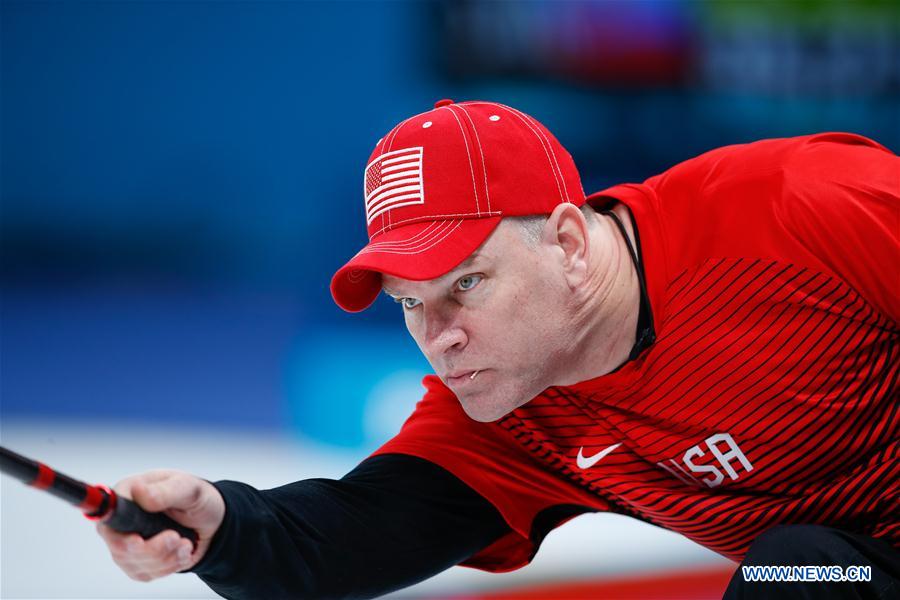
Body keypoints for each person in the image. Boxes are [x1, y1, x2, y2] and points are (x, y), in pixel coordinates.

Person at [97, 100, 899, 599]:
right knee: (798, 576)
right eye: (411, 302)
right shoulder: (513, 406)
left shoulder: (798, 207)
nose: (439, 335)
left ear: (568, 242)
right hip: (858, 568)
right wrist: (226, 527)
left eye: (467, 285)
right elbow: (352, 531)